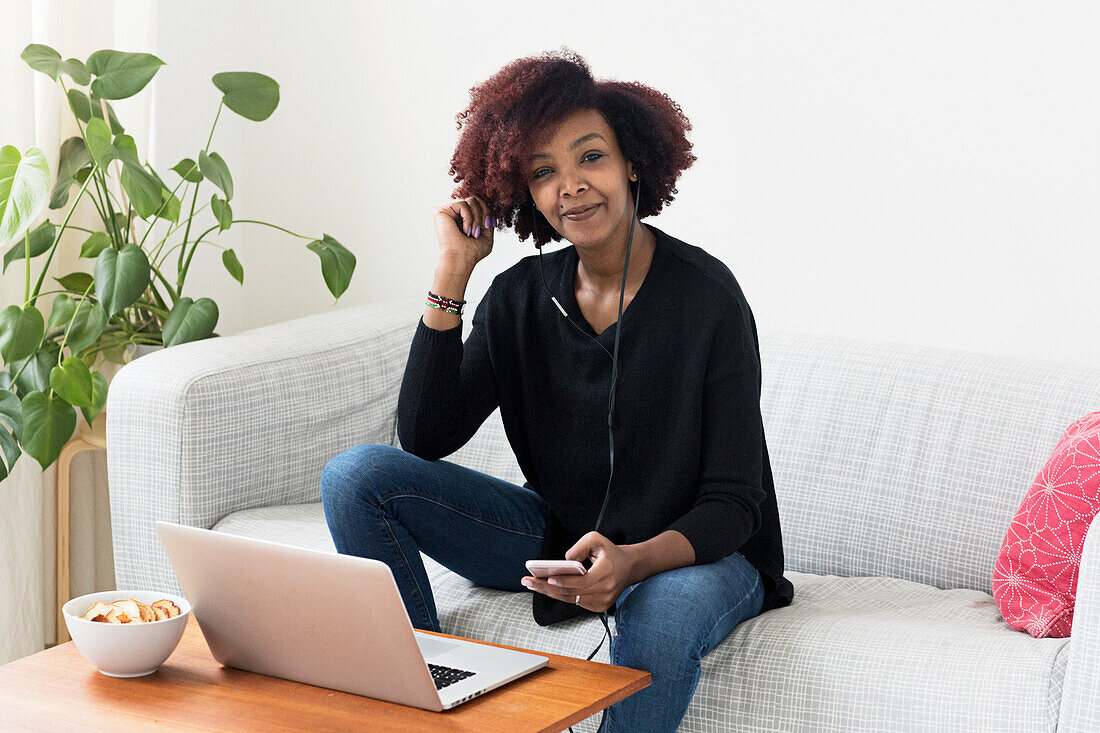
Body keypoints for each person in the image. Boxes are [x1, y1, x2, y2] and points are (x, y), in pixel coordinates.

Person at [321, 46, 794, 733]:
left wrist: (632, 562)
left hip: (704, 553)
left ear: (632, 161)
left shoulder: (707, 297)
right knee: (355, 475)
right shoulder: (519, 298)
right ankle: (424, 709)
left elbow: (734, 504)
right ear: (526, 193)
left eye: (590, 157)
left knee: (658, 611)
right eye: (545, 171)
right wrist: (454, 271)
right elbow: (424, 436)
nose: (570, 185)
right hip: (564, 539)